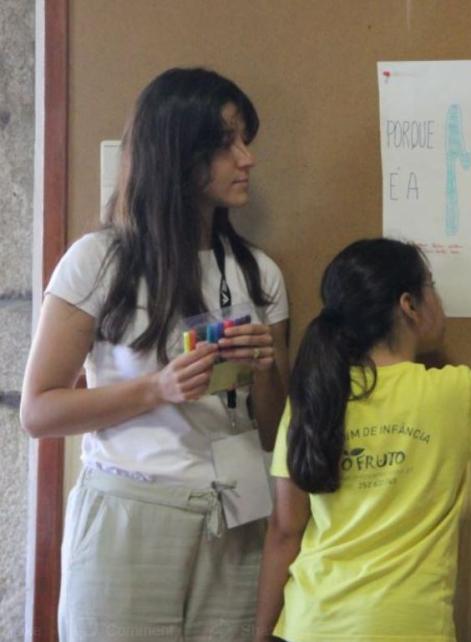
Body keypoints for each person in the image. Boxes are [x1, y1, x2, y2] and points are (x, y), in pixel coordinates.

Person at [20, 67, 290, 641]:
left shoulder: (258, 273)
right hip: (130, 512)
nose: (247, 159)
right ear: (177, 153)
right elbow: (38, 412)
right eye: (227, 143)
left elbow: (274, 431)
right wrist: (157, 389)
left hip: (239, 514)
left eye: (246, 141)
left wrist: (266, 369)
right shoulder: (98, 260)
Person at [253, 239, 471, 642]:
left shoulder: (312, 396)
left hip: (309, 622)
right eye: (431, 286)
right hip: (407, 626)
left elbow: (284, 529)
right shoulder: (452, 393)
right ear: (409, 305)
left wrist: (261, 634)